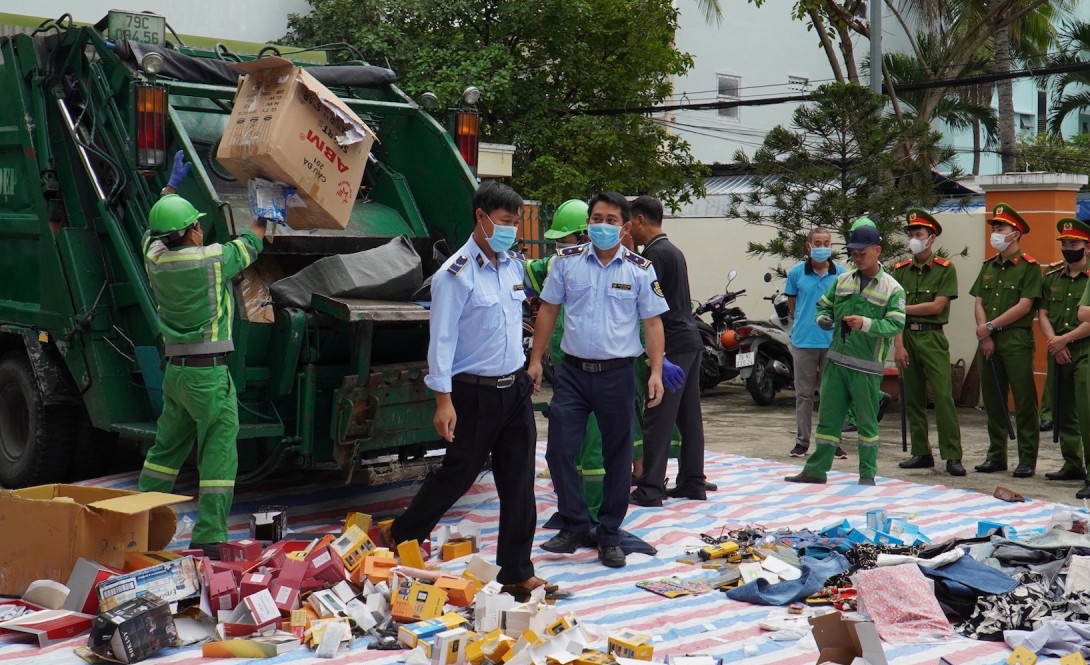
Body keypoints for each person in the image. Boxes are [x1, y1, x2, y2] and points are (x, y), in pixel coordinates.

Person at [379, 180, 555, 599]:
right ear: (481, 217)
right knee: (458, 474)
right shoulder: (455, 274)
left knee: (519, 481)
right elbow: (440, 341)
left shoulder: (513, 266)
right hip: (473, 392)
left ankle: (516, 570)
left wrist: (531, 366)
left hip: (514, 388)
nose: (512, 229)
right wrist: (443, 400)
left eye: (516, 222)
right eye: (506, 221)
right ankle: (403, 534)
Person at [527, 191, 669, 569]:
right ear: (587, 223)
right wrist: (536, 359)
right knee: (559, 449)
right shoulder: (566, 264)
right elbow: (548, 310)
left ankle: (608, 534)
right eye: (596, 218)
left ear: (624, 227)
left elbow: (653, 323)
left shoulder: (639, 269)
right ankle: (574, 524)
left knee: (618, 457)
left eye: (610, 220)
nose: (602, 226)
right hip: (573, 373)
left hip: (618, 375)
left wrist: (655, 371)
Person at [138, 151, 266, 557]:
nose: (200, 229)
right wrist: (269, 209)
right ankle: (210, 535)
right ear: (193, 231)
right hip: (208, 377)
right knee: (218, 455)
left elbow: (151, 233)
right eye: (197, 224)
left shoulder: (155, 259)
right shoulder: (211, 260)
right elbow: (252, 243)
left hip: (176, 374)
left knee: (164, 452)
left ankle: (138, 525)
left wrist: (170, 187)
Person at [785, 223, 905, 485]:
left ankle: (867, 473)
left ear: (877, 250)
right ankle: (816, 470)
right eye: (854, 252)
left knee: (866, 423)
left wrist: (866, 324)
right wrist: (823, 319)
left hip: (866, 367)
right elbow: (823, 306)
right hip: (837, 362)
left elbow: (896, 324)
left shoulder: (892, 288)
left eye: (863, 252)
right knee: (828, 419)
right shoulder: (842, 280)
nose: (858, 257)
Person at [525, 199, 606, 521]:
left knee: (593, 448)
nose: (559, 247)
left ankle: (595, 516)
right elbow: (531, 271)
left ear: (585, 236)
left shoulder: (617, 270)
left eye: (564, 240)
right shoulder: (560, 266)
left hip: (600, 371)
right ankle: (571, 511)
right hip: (567, 368)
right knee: (561, 445)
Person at [627, 196, 710, 505]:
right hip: (689, 340)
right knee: (689, 418)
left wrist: (656, 357)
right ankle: (692, 481)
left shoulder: (653, 256)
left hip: (672, 344)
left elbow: (652, 311)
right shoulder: (673, 251)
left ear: (639, 220)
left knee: (658, 417)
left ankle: (649, 489)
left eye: (628, 223)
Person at [970, 203, 1042, 478]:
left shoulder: (1029, 267)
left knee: (1023, 402)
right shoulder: (988, 266)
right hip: (987, 339)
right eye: (995, 228)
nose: (996, 232)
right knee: (993, 399)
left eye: (1001, 228)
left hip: (1015, 340)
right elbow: (978, 300)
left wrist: (989, 327)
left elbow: (1025, 306)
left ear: (1017, 233)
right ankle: (995, 455)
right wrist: (984, 331)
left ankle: (1027, 459)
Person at [891, 209, 964, 476]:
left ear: (931, 238)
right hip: (906, 336)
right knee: (912, 397)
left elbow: (937, 306)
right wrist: (898, 345)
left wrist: (903, 310)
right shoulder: (899, 271)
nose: (913, 239)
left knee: (943, 397)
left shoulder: (945, 269)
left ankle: (952, 455)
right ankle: (921, 452)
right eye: (911, 234)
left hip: (932, 336)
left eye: (918, 234)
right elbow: (893, 314)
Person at [785, 227, 847, 460]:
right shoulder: (796, 273)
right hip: (803, 341)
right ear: (808, 246)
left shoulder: (841, 274)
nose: (822, 248)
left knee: (833, 394)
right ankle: (802, 442)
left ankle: (833, 441)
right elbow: (793, 305)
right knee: (804, 394)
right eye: (818, 243)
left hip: (833, 342)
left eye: (827, 243)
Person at [1038, 218, 1090, 484]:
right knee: (1064, 409)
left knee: (1086, 410)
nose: (1069, 248)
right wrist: (1054, 341)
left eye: (1075, 243)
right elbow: (1043, 312)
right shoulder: (1052, 276)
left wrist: (1064, 340)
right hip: (1057, 349)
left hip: (1084, 349)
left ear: (1087, 247)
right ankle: (1072, 463)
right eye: (1066, 243)